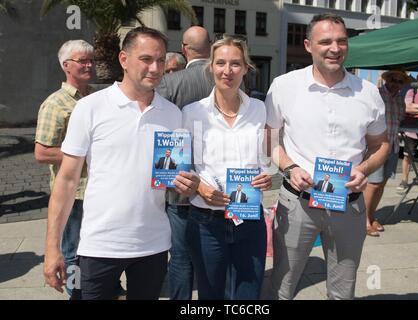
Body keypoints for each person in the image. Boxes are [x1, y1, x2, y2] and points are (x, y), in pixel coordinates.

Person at [43, 27, 200, 300]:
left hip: (153, 244)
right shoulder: (90, 108)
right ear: (123, 59)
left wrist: (187, 183)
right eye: (146, 59)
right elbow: (66, 181)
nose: (155, 68)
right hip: (100, 245)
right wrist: (52, 246)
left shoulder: (173, 114)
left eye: (161, 60)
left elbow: (172, 177)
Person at [264, 13, 390, 300]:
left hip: (350, 206)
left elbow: (381, 144)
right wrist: (289, 167)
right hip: (298, 204)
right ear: (308, 45)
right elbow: (268, 139)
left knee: (343, 291)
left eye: (341, 41)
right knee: (281, 289)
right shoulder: (284, 86)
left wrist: (365, 169)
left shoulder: (367, 92)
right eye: (326, 42)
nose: (335, 48)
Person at [182, 35, 272, 300]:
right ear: (210, 67)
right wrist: (199, 187)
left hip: (250, 217)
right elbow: (180, 165)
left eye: (235, 63)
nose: (227, 70)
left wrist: (270, 177)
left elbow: (269, 157)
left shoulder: (260, 109)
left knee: (248, 293)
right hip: (206, 221)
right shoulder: (191, 112)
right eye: (220, 63)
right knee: (210, 294)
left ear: (246, 68)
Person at [156, 26, 214, 300]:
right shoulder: (229, 78)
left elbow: (160, 131)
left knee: (179, 256)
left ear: (184, 48)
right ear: (211, 46)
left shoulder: (171, 82)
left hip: (179, 184)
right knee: (212, 253)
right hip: (216, 182)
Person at [34, 40, 94, 300]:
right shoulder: (55, 104)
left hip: (96, 189)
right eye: (83, 61)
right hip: (75, 193)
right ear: (66, 65)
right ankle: (76, 293)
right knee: (73, 250)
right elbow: (42, 152)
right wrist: (83, 155)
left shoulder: (93, 98)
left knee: (93, 248)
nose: (89, 65)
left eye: (91, 60)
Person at [364, 70, 409, 237]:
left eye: (399, 81)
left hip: (392, 146)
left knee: (381, 185)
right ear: (387, 79)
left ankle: (371, 216)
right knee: (372, 184)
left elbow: (401, 118)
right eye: (393, 79)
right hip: (376, 147)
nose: (395, 83)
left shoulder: (399, 99)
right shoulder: (376, 95)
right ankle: (364, 222)